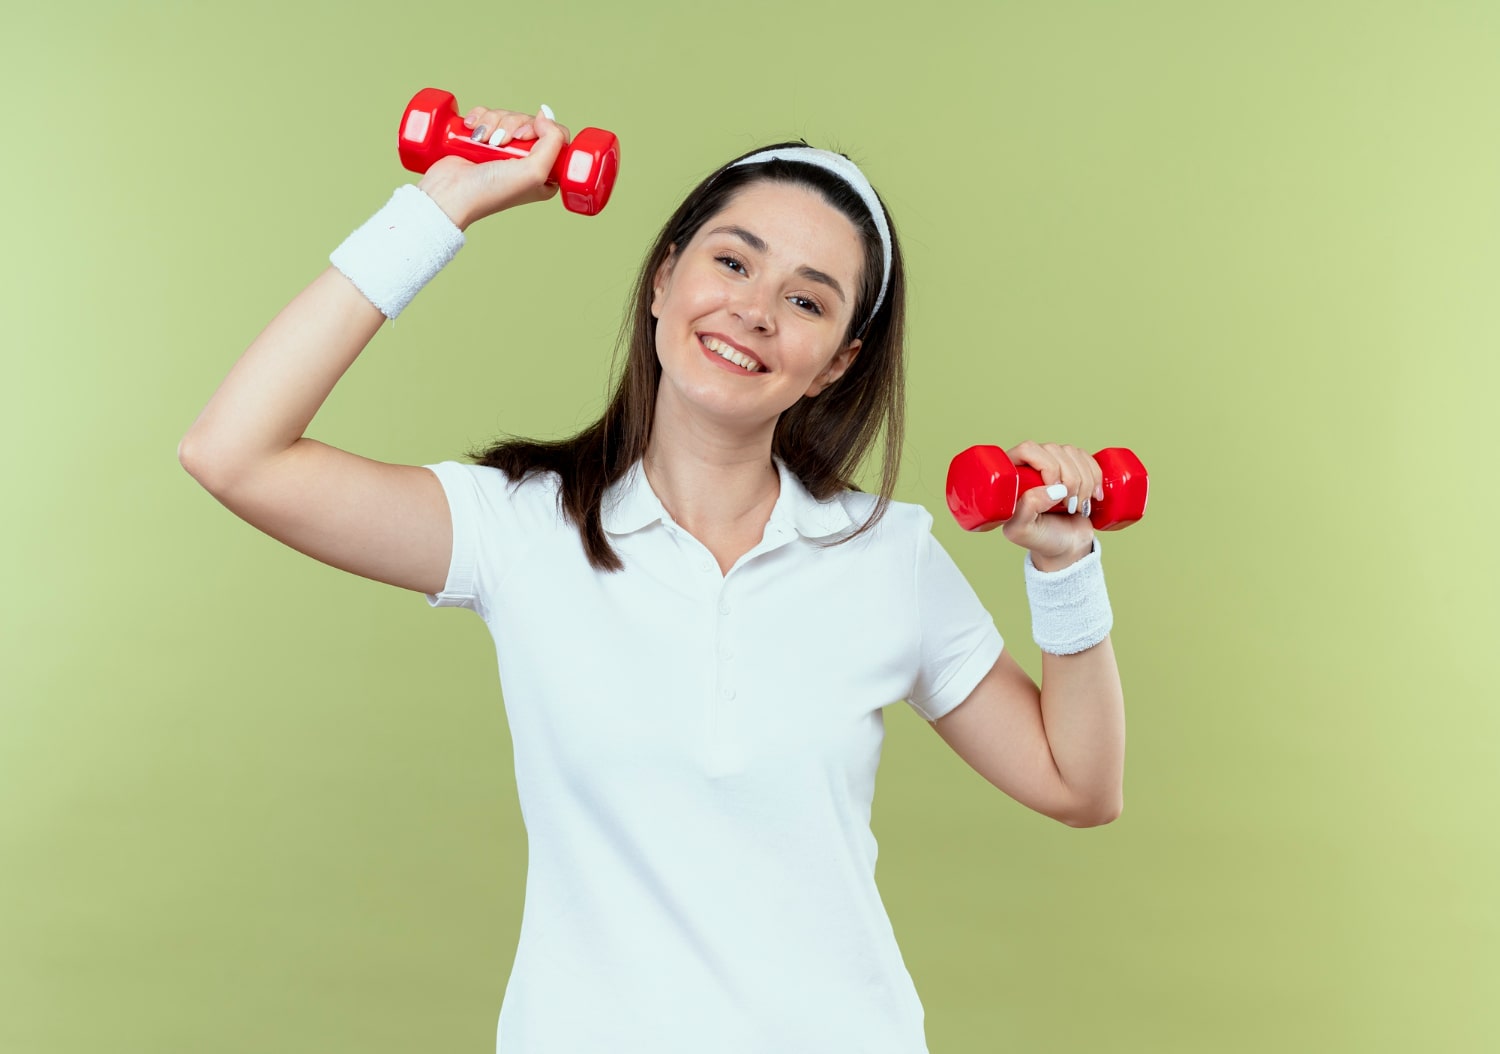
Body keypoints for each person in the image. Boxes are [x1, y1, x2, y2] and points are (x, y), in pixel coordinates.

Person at [179, 100, 1126, 1054]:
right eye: (731, 261)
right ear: (664, 278)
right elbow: (234, 454)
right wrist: (442, 205)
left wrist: (1065, 565)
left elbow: (1077, 784)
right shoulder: (522, 526)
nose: (754, 309)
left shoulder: (887, 553)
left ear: (836, 363)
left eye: (806, 299)